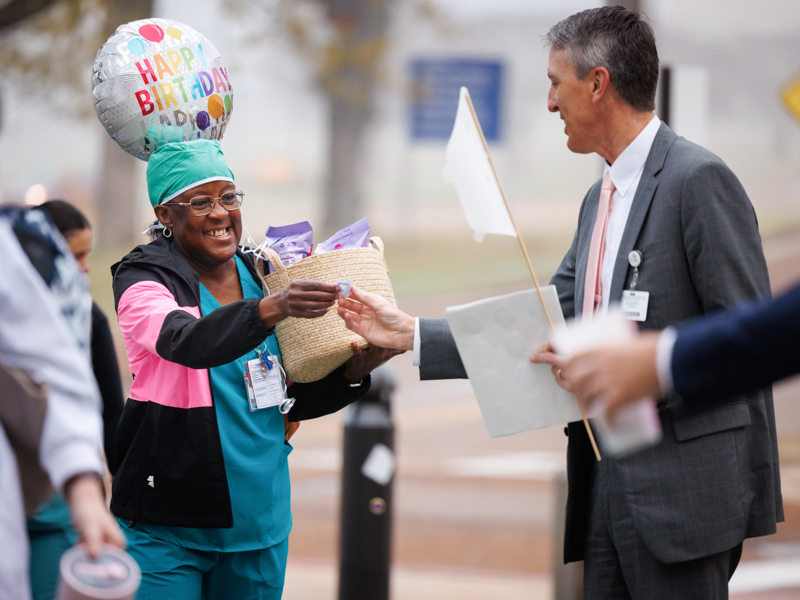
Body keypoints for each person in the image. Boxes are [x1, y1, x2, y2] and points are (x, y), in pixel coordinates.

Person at [338, 7, 782, 598]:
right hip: (601, 486)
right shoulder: (598, 198)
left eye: (555, 82)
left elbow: (743, 342)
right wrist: (411, 334)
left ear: (598, 84)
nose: (549, 103)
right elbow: (546, 323)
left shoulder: (698, 181)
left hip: (684, 502)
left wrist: (639, 375)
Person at [110, 139, 393, 599]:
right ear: (165, 215)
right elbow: (185, 340)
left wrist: (353, 373)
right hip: (166, 526)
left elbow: (292, 395)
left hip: (258, 524)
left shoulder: (262, 272)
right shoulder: (144, 277)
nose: (220, 213)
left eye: (229, 197)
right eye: (200, 202)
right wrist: (270, 308)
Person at [0, 210, 125, 600]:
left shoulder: (84, 314)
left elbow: (89, 398)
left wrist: (89, 494)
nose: (83, 269)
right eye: (76, 256)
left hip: (48, 508)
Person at [532, 280, 800, 423]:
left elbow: (747, 315)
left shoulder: (699, 179)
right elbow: (561, 299)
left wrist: (661, 361)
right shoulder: (594, 201)